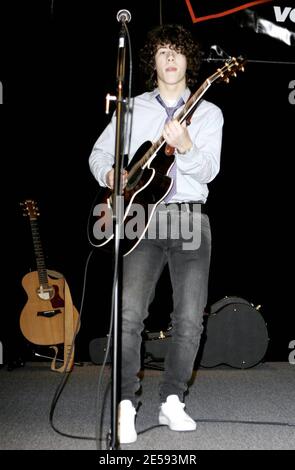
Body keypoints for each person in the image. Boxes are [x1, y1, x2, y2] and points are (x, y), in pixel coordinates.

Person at [89, 24, 223, 444]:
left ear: (188, 62)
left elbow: (208, 172)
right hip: (138, 219)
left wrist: (186, 146)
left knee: (188, 318)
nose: (170, 58)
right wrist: (111, 173)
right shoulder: (131, 107)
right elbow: (98, 154)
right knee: (127, 314)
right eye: (163, 51)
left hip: (188, 218)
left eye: (177, 52)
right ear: (153, 61)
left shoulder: (208, 113)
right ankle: (125, 404)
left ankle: (172, 402)